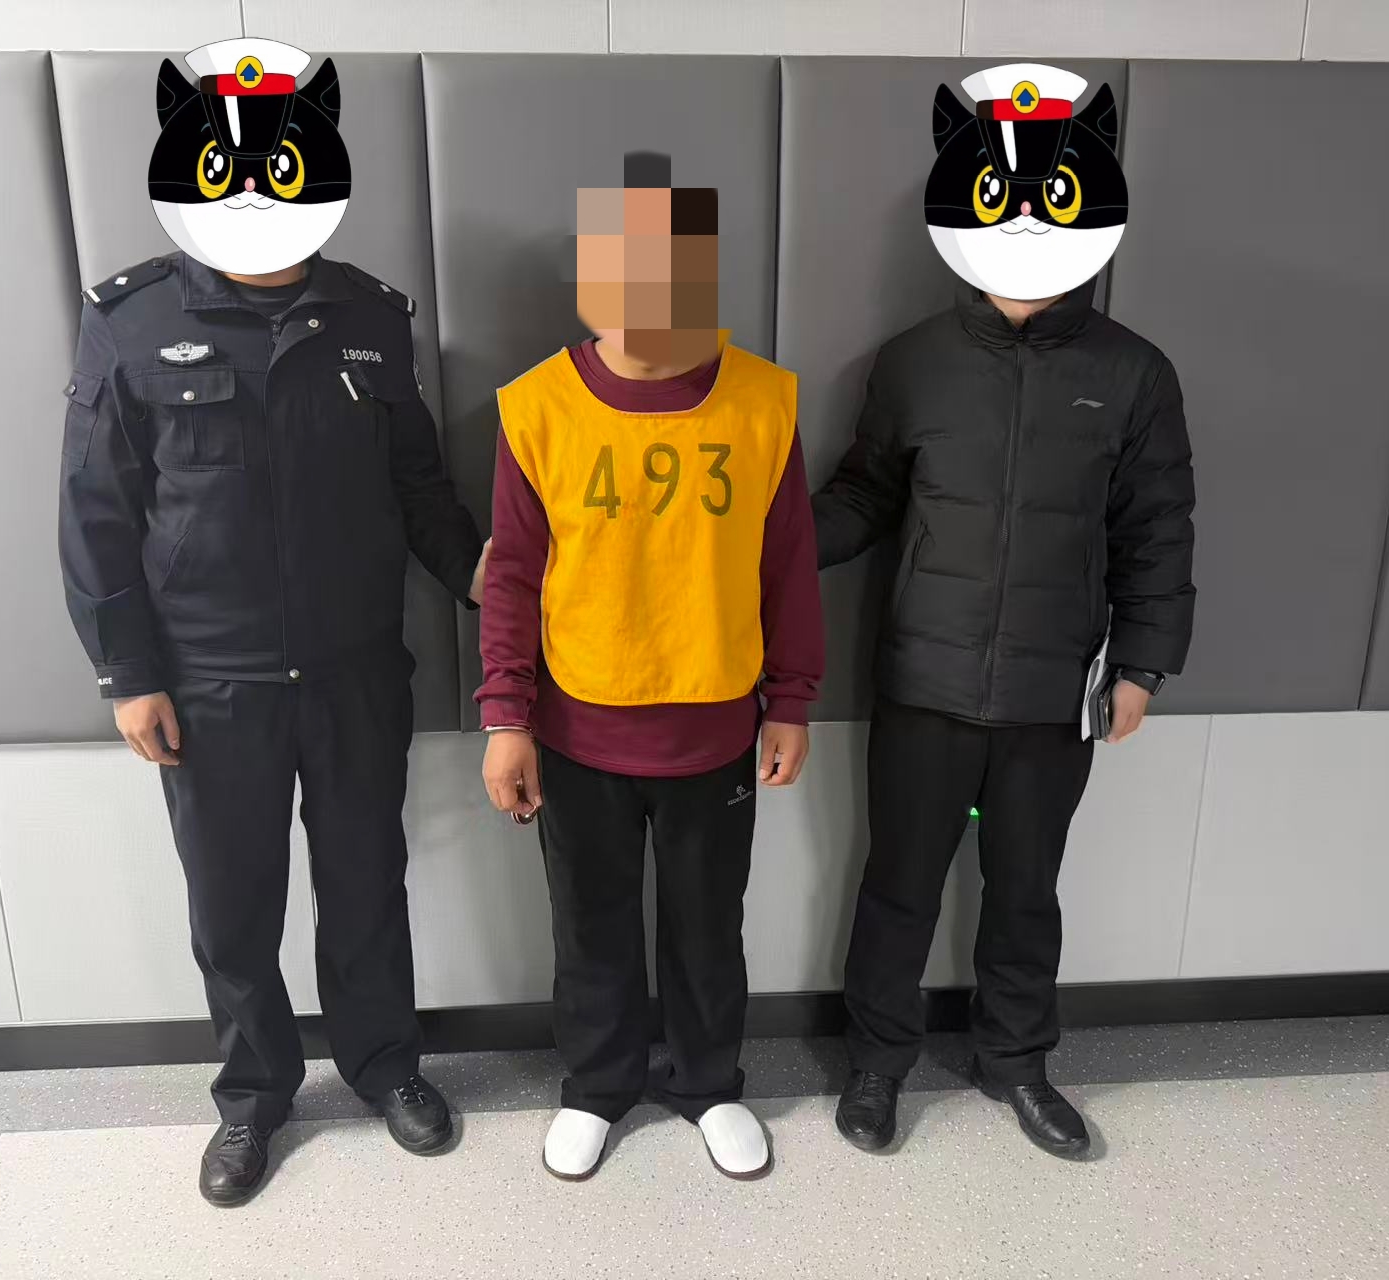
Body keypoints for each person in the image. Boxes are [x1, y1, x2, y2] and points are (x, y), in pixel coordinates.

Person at [59, 37, 488, 1206]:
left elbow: (419, 490)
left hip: (356, 671)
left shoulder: (371, 318)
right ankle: (252, 1095)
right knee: (232, 901)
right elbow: (95, 509)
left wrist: (489, 584)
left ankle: (386, 1064)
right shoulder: (131, 322)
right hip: (210, 684)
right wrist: (128, 672)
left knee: (366, 882)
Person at [817, 64, 1196, 1160]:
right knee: (898, 886)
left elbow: (1158, 528)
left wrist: (1143, 665)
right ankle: (877, 1065)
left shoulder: (1134, 374)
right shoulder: (914, 363)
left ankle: (1018, 1063)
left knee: (1025, 890)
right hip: (923, 685)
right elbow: (863, 497)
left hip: (1052, 690)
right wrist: (768, 542)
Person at [476, 151, 824, 1181]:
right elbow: (512, 575)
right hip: (578, 727)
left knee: (708, 929)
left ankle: (709, 1082)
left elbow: (788, 564)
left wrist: (791, 700)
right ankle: (597, 1085)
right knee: (590, 927)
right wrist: (506, 716)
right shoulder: (537, 406)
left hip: (714, 730)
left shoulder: (762, 400)